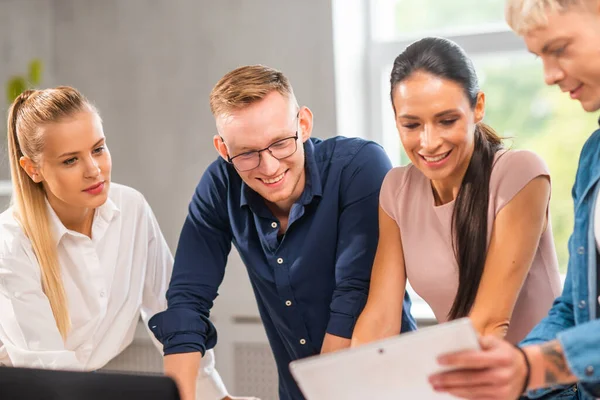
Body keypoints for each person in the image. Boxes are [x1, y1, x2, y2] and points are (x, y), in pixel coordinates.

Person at [147, 65, 417, 400]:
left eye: (280, 143)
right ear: (223, 149)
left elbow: (354, 296)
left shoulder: (359, 166)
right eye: (246, 154)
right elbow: (188, 301)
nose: (270, 167)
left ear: (303, 124)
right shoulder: (220, 186)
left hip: (391, 387)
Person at [0, 87, 251, 400]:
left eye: (98, 149)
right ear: (32, 169)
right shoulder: (11, 244)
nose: (94, 170)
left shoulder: (131, 208)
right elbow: (48, 373)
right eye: (70, 161)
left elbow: (171, 309)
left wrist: (215, 396)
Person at [429, 1, 600, 399]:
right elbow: (573, 307)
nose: (549, 75)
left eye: (559, 48)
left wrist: (533, 366)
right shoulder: (593, 157)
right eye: (539, 56)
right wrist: (510, 370)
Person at [351, 37, 561, 348]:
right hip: (473, 378)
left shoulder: (520, 173)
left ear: (478, 107)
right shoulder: (397, 190)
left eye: (446, 121)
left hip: (549, 387)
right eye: (411, 125)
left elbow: (490, 323)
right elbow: (381, 317)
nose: (429, 142)